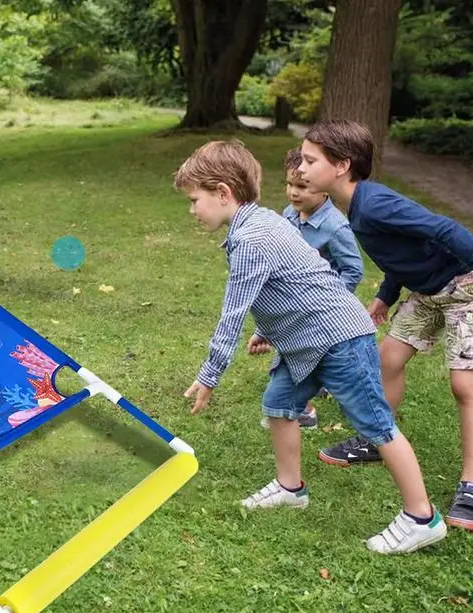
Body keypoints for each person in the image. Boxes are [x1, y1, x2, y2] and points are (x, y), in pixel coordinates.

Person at [176, 139, 446, 554]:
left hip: (338, 338)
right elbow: (297, 280)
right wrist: (269, 329)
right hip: (306, 341)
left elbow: (232, 312)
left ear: (223, 193)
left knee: (376, 424)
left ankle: (421, 517)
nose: (192, 210)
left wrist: (209, 375)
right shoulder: (263, 220)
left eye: (195, 200)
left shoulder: (251, 239)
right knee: (280, 404)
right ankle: (291, 487)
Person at [299, 119, 473, 531]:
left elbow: (444, 229)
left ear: (341, 165)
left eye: (310, 160)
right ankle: (378, 440)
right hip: (426, 292)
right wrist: (385, 296)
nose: (301, 169)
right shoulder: (357, 207)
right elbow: (404, 252)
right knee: (387, 360)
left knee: (465, 384)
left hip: (464, 286)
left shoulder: (374, 203)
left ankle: (471, 483)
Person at [266, 147, 364, 430]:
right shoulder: (290, 214)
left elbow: (354, 269)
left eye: (302, 186)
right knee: (308, 354)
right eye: (289, 184)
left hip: (322, 310)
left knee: (298, 355)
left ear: (324, 189)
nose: (294, 193)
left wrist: (329, 299)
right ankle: (321, 384)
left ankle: (304, 412)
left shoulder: (335, 227)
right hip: (294, 303)